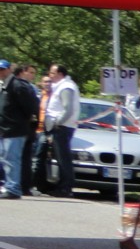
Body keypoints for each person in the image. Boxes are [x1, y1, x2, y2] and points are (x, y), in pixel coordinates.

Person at [0, 64, 40, 199]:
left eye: (2, 69)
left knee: (12, 160)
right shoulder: (5, 85)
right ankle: (8, 186)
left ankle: (13, 189)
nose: (0, 72)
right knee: (6, 159)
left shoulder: (18, 85)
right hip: (5, 130)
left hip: (15, 130)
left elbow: (31, 107)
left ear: (9, 70)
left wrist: (22, 122)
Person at [44, 63, 80, 197]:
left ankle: (66, 188)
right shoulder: (60, 86)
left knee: (63, 158)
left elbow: (67, 109)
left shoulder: (66, 87)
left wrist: (57, 123)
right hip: (61, 127)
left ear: (60, 74)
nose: (50, 76)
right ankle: (62, 185)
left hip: (62, 127)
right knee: (61, 158)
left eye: (52, 73)